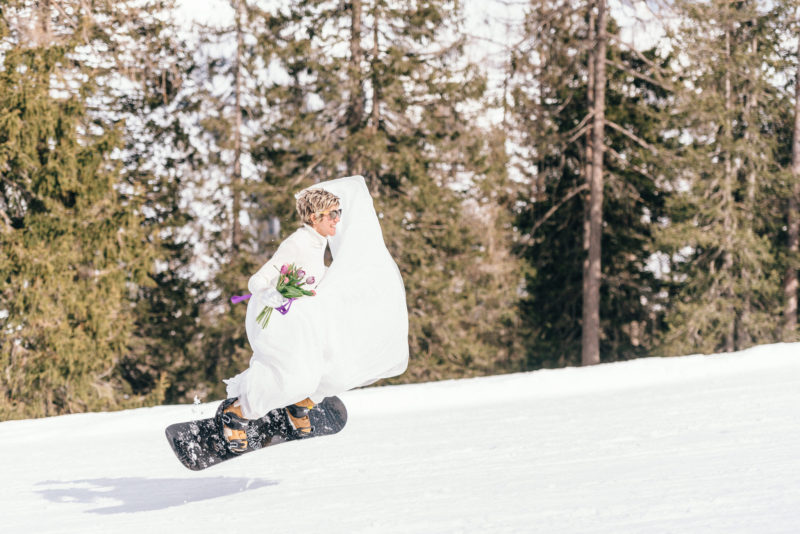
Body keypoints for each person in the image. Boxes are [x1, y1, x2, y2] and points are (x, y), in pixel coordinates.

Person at [221, 175, 408, 452]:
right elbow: (257, 281)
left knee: (341, 367)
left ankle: (300, 405)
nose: (336, 219)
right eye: (331, 214)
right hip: (281, 320)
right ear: (313, 217)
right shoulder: (297, 242)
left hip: (307, 319)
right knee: (295, 376)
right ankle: (236, 413)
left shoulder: (319, 242)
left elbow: (315, 274)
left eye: (338, 212)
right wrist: (270, 293)